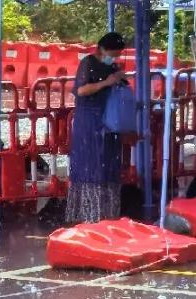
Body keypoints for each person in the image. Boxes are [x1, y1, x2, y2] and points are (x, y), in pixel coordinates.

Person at [66, 32, 128, 224]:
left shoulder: (113, 65)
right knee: (91, 165)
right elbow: (81, 90)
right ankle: (89, 214)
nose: (115, 57)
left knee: (109, 164)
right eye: (113, 53)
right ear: (102, 49)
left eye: (118, 54)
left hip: (109, 123)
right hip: (90, 121)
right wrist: (107, 82)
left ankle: (108, 214)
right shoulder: (88, 63)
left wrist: (120, 79)